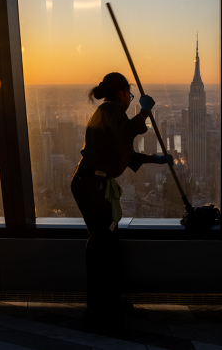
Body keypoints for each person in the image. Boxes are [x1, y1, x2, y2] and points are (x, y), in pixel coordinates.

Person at [72, 72, 173, 326]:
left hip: (94, 183)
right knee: (101, 245)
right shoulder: (110, 110)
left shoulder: (109, 114)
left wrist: (154, 159)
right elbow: (125, 134)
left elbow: (123, 153)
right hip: (93, 184)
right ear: (122, 94)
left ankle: (109, 302)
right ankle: (98, 308)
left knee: (108, 243)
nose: (131, 98)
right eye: (130, 94)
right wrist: (144, 112)